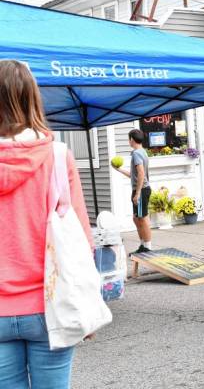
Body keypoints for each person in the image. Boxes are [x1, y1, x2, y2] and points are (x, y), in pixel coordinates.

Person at [0, 59, 94, 388]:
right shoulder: (57, 156)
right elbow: (82, 235)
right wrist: (88, 299)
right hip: (50, 303)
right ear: (32, 99)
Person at [112, 129, 153, 253]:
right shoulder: (142, 152)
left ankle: (147, 247)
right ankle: (143, 244)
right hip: (140, 189)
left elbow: (141, 173)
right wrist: (118, 170)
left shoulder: (136, 154)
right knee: (136, 218)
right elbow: (134, 175)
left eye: (128, 138)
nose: (128, 141)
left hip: (141, 190)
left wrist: (138, 193)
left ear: (131, 139)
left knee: (143, 218)